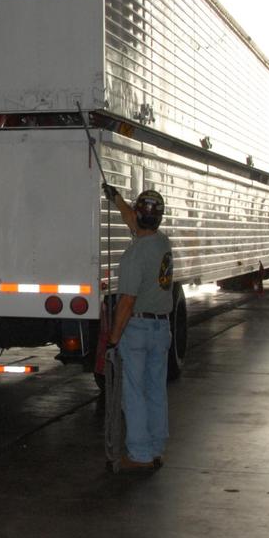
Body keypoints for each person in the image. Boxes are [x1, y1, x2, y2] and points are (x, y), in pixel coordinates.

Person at [104, 184, 172, 471]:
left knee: (133, 393)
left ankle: (139, 454)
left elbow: (127, 303)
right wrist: (116, 199)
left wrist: (112, 340)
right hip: (162, 330)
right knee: (156, 389)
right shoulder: (162, 243)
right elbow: (135, 221)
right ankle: (155, 448)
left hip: (139, 330)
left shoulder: (133, 256)